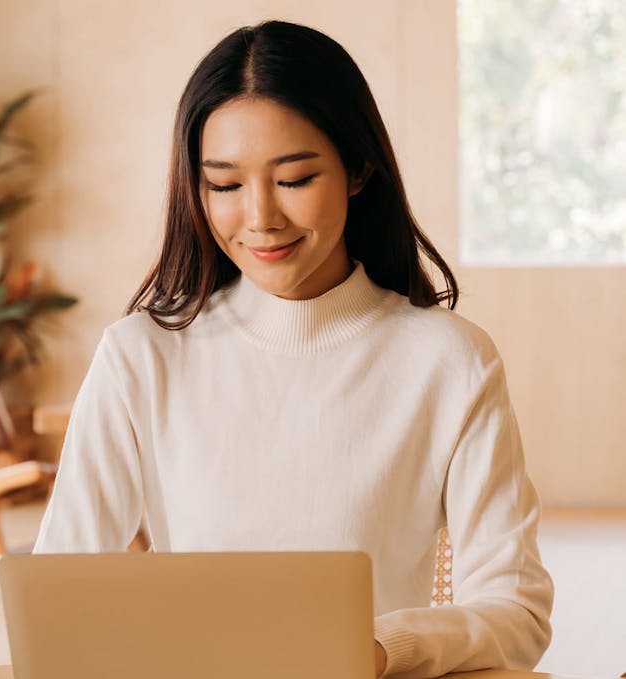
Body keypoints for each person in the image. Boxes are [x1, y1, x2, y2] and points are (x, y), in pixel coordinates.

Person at [32, 19, 553, 679]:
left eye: (295, 178)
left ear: (358, 169)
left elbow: (517, 612)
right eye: (224, 185)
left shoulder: (451, 362)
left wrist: (378, 646)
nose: (260, 218)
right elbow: (58, 602)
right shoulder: (140, 357)